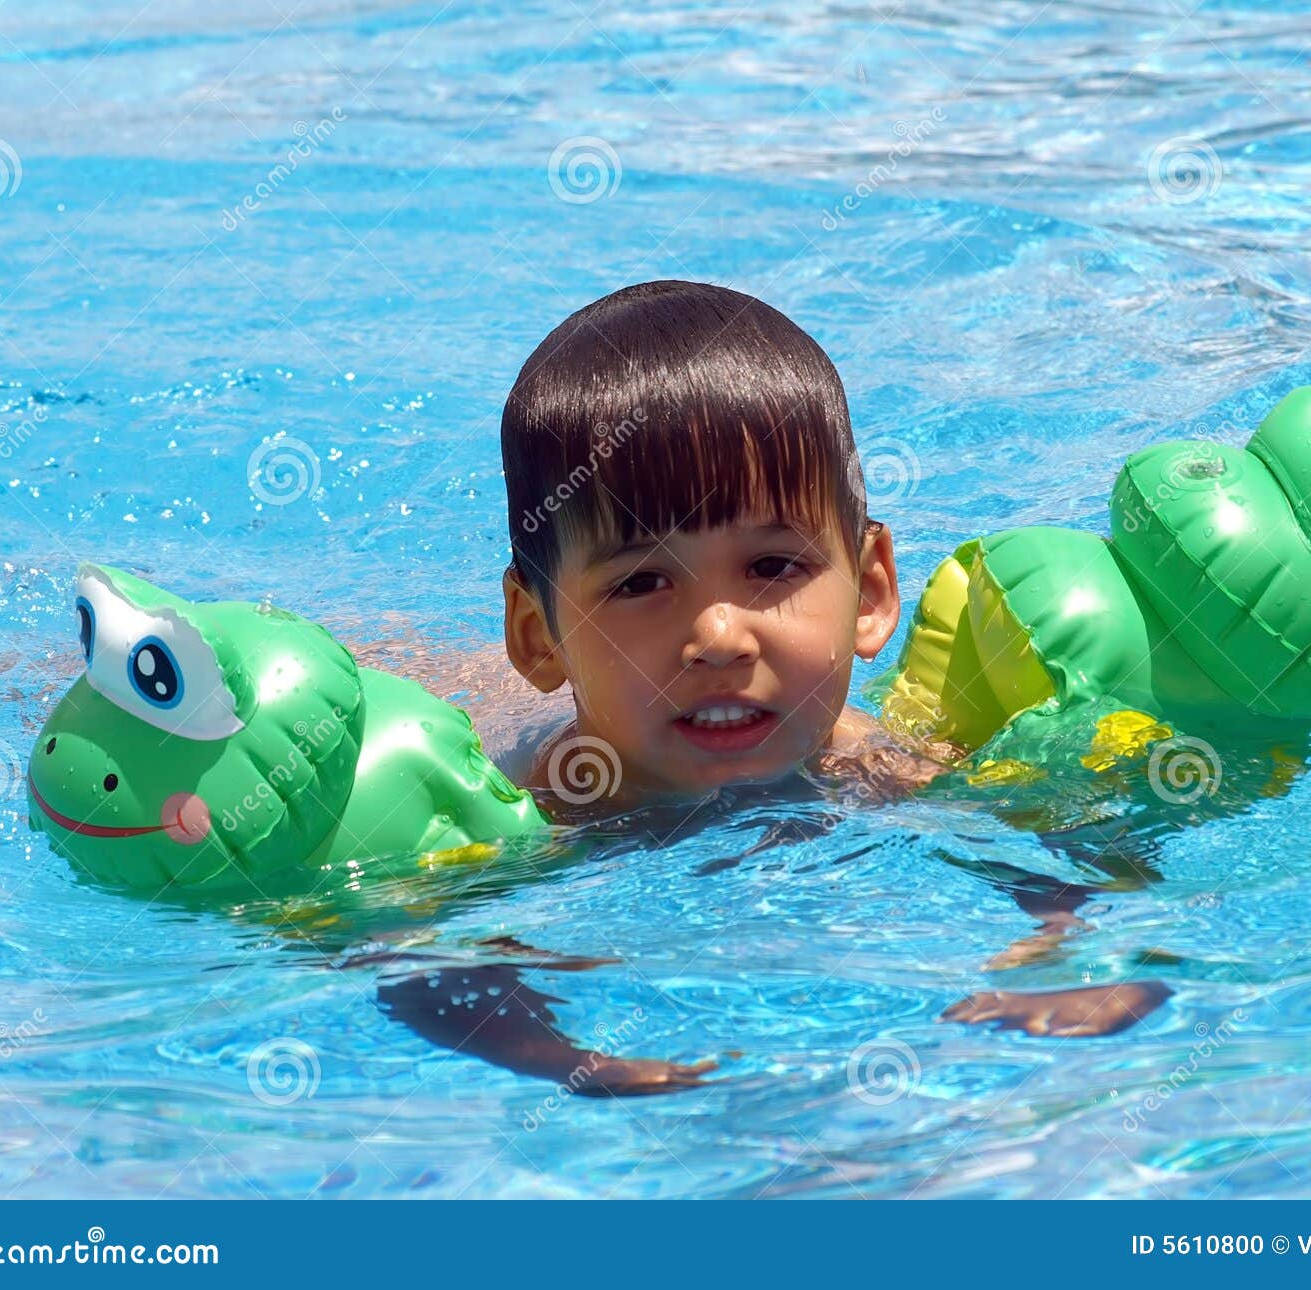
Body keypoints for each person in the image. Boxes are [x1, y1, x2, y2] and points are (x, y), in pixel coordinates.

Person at [373, 280, 1169, 1094]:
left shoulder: (890, 769)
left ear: (870, 592)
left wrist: (1071, 953)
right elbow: (408, 959)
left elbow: (1088, 864)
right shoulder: (541, 817)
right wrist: (566, 1062)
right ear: (539, 637)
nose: (720, 636)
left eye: (772, 566)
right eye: (641, 583)